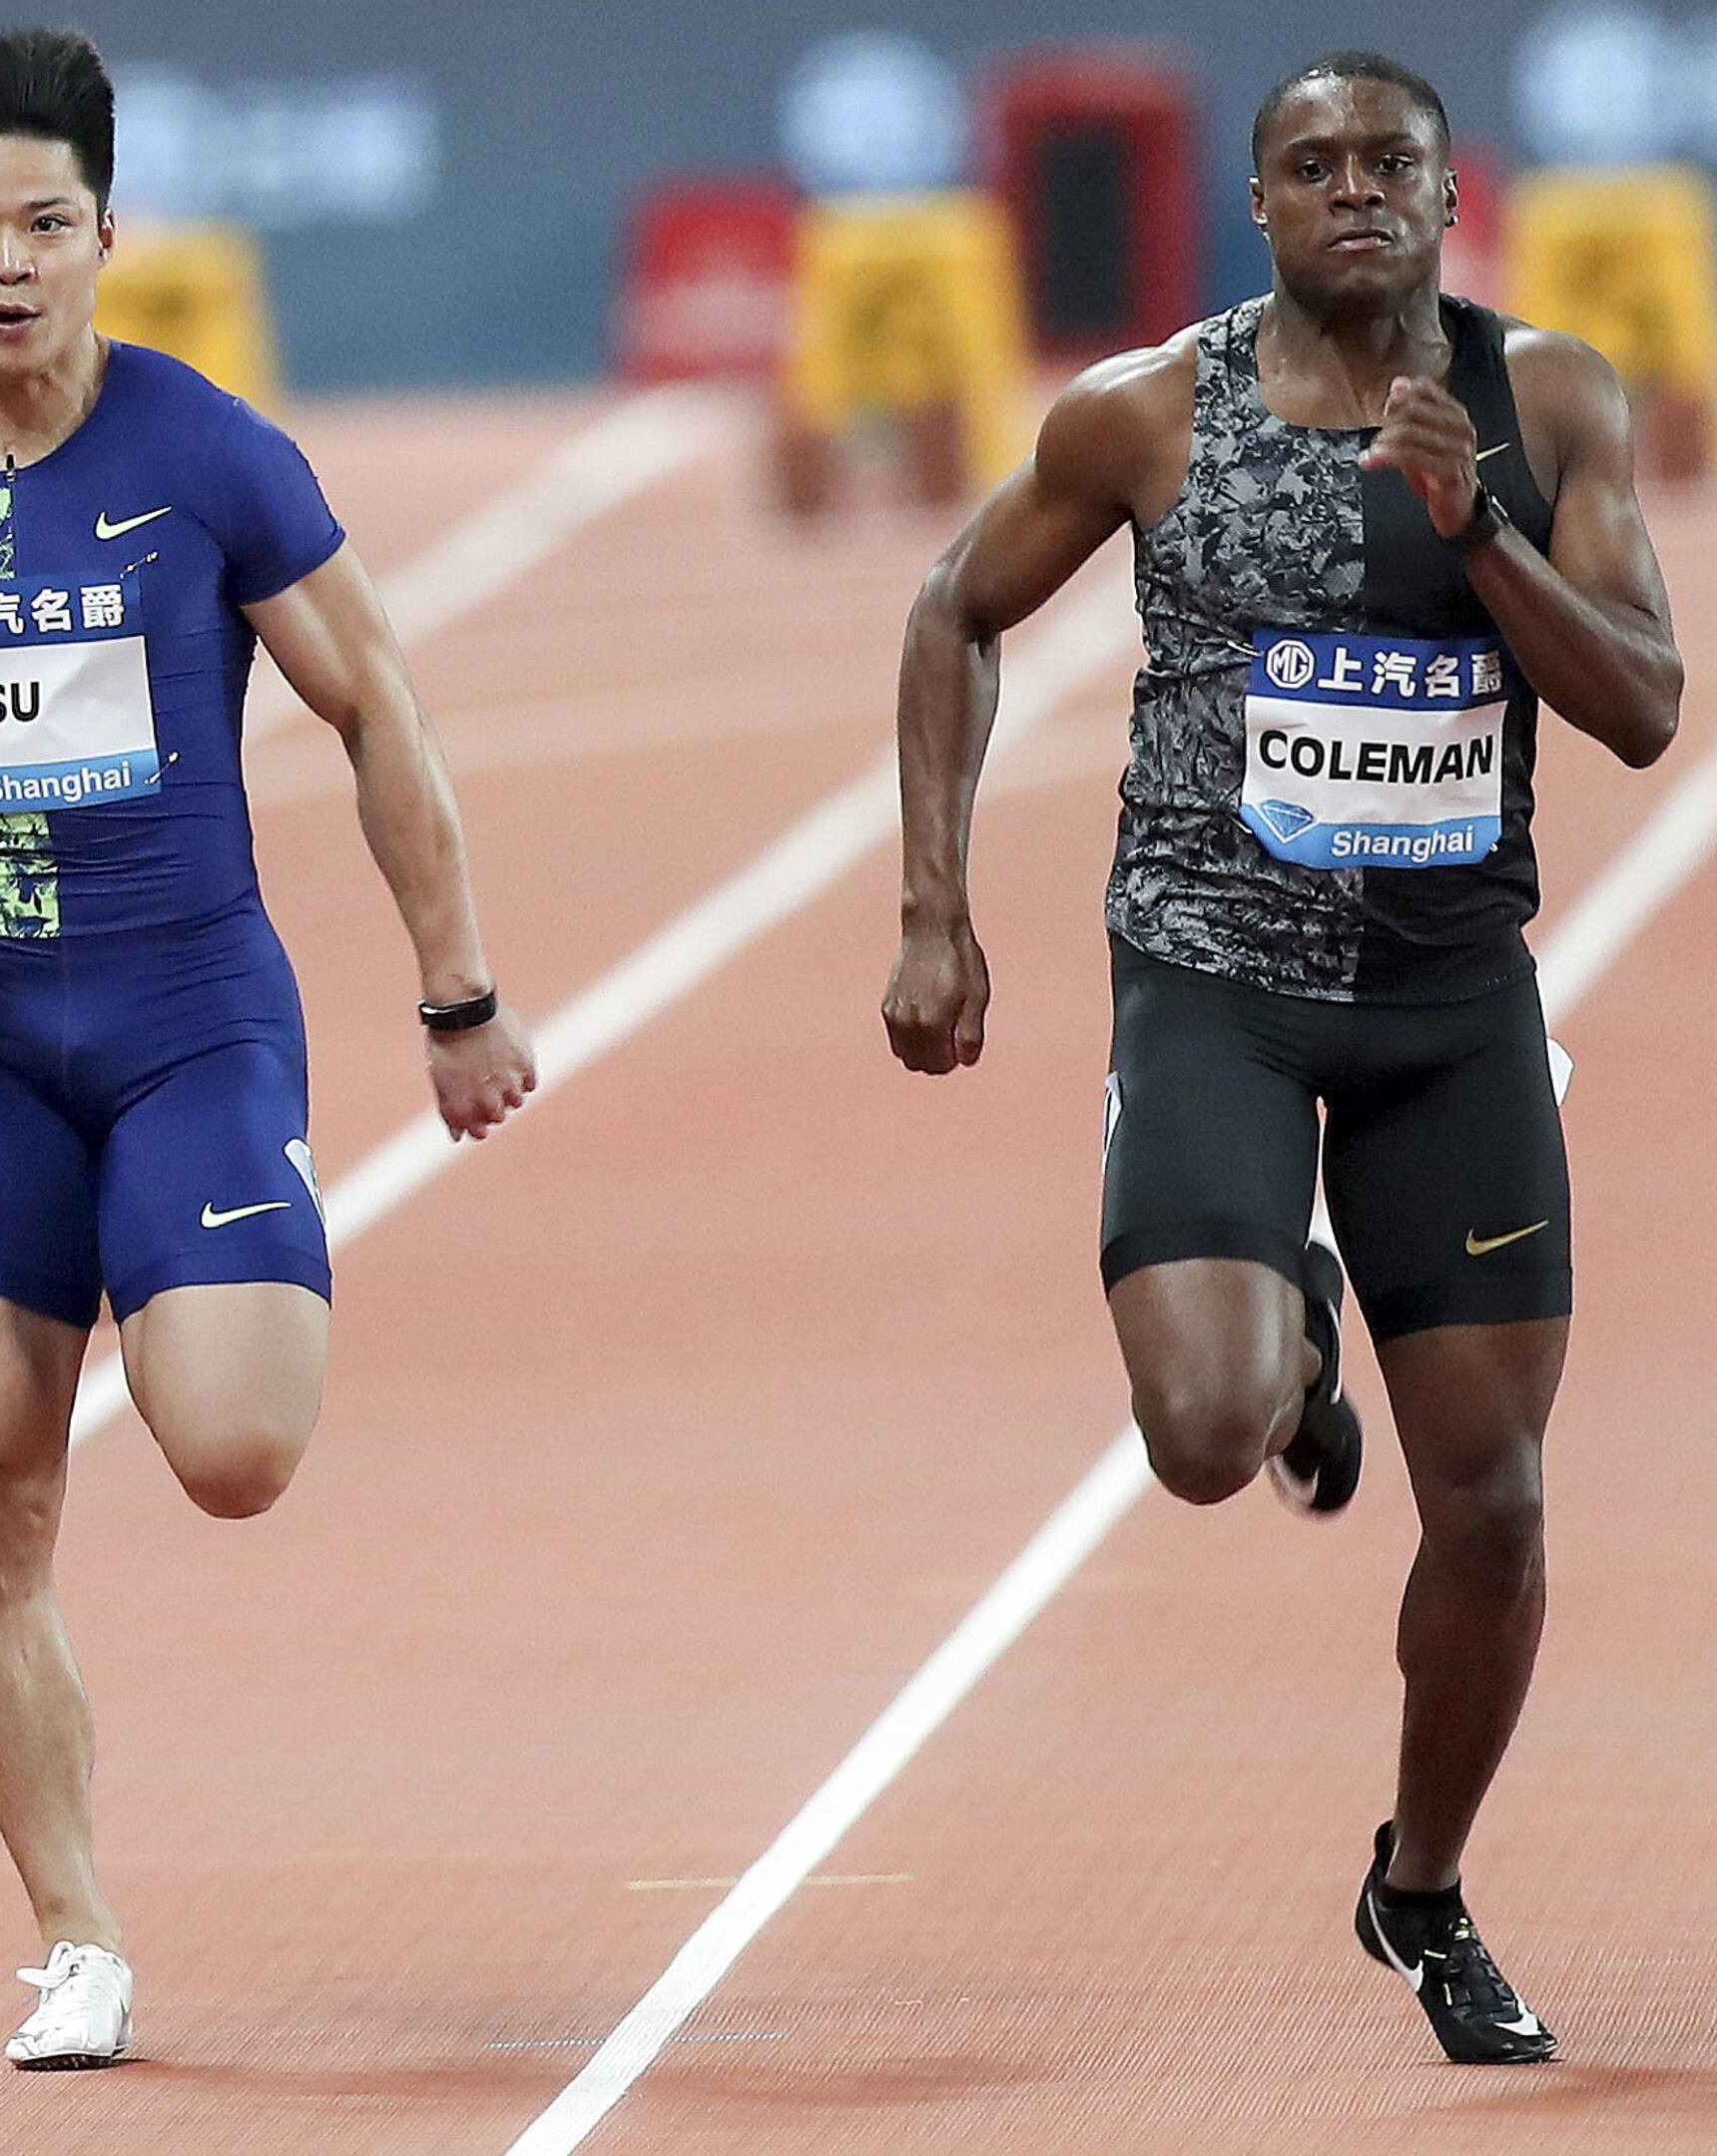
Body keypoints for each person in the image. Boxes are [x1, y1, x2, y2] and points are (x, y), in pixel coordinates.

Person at [0, 27, 535, 2069]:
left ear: (107, 233)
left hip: (187, 1020)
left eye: (49, 224)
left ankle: (185, 1271)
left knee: (239, 1454)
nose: (13, 263)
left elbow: (379, 706)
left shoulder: (207, 452)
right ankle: (76, 1934)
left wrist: (455, 995)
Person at [883, 50, 1678, 2066]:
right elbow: (953, 606)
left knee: (1493, 1505)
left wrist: (1478, 529)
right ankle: (1288, 1328)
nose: (1354, 193)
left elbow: (1650, 709)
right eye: (1311, 164)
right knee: (1206, 1434)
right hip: (1216, 984)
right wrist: (933, 909)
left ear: (1446, 191)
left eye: (1388, 163)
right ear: (1258, 205)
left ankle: (1420, 1889)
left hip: (1449, 1010)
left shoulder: (1548, 402)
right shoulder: (1150, 413)